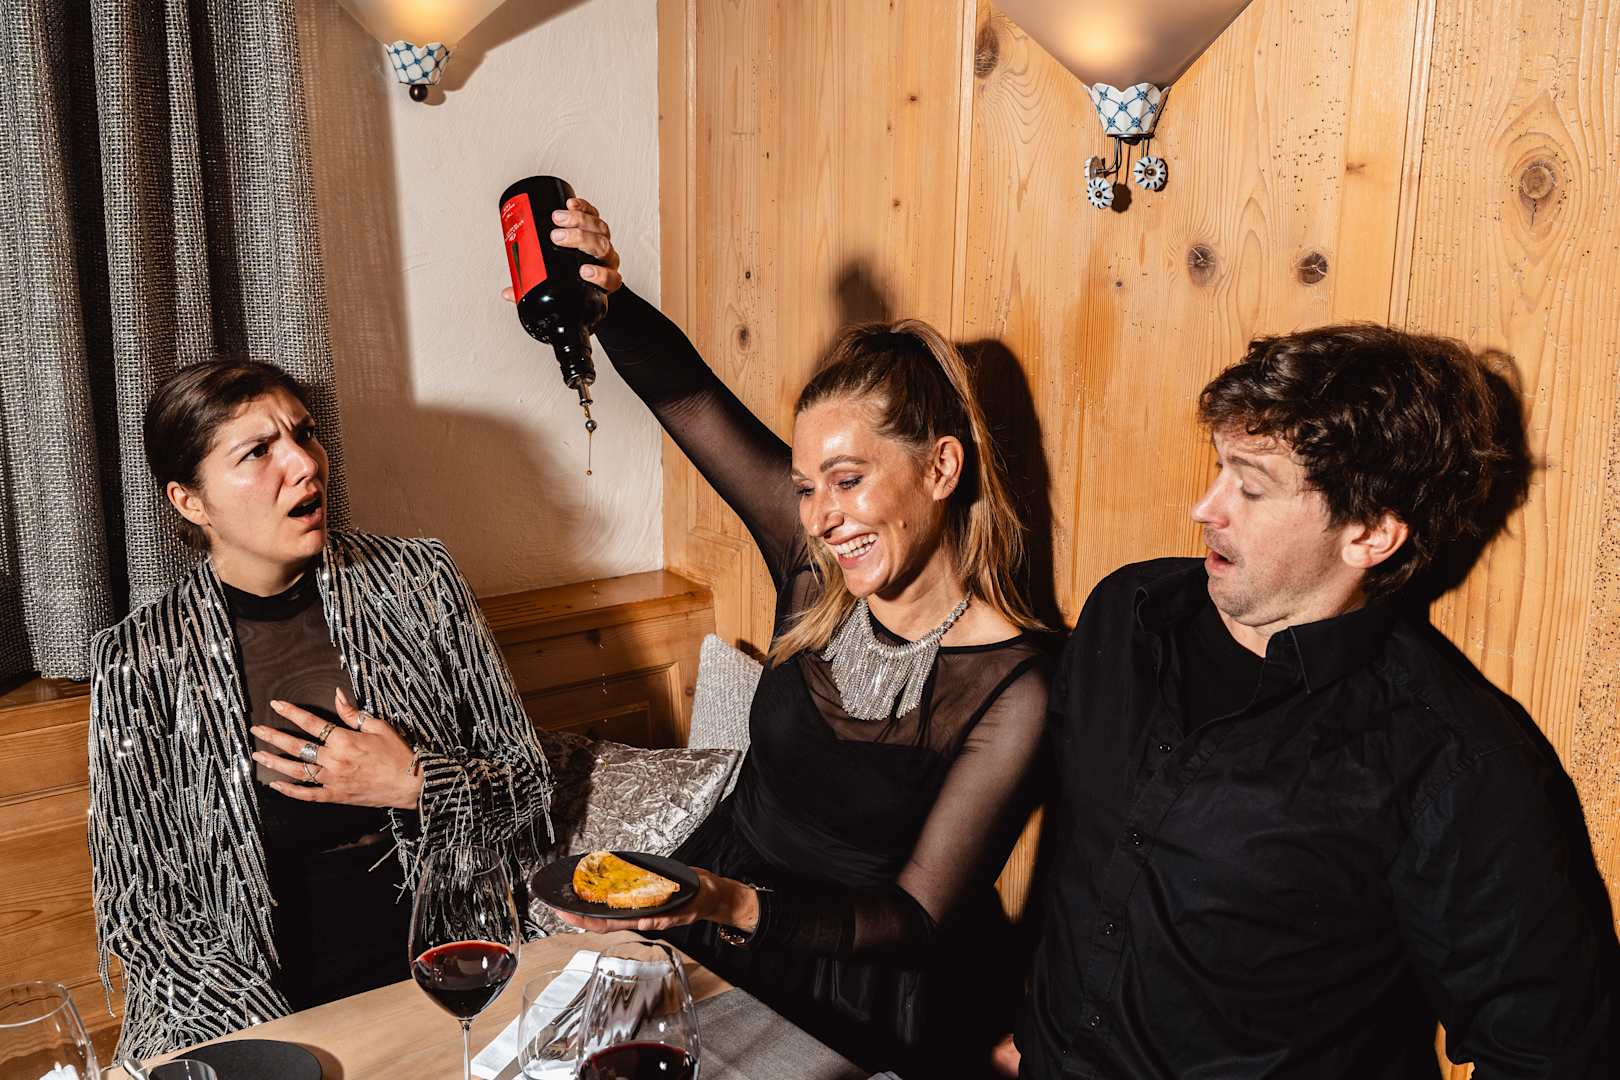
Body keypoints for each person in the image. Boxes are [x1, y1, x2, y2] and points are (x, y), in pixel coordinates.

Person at [531, 198, 1053, 1074]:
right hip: (710, 907)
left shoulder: (1013, 688)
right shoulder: (817, 571)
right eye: (807, 487)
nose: (820, 516)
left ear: (941, 467)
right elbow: (686, 394)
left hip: (861, 979)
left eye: (846, 480)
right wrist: (605, 296)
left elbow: (916, 917)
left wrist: (731, 904)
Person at [1011, 325, 1615, 1078]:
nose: (1205, 507)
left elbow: (1549, 1054)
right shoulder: (1126, 612)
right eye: (1220, 468)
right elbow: (1079, 867)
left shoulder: (1451, 762)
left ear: (1371, 534)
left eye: (1251, 487)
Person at [87, 361, 554, 1061]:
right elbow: (141, 906)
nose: (305, 464)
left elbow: (531, 787)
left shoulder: (418, 583)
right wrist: (276, 1041)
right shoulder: (140, 658)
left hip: (446, 962)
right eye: (257, 452)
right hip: (241, 1005)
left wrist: (415, 783)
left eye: (304, 435)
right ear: (190, 501)